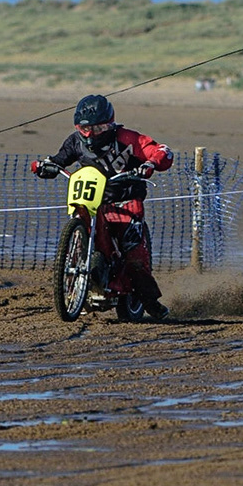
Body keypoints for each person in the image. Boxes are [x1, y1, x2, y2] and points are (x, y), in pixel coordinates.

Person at [31, 94, 175, 319]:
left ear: (109, 124)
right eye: (84, 129)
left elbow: (161, 151)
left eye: (97, 129)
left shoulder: (128, 138)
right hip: (92, 202)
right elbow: (59, 159)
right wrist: (45, 166)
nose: (90, 135)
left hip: (126, 202)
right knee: (81, 224)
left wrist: (150, 163)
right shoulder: (75, 141)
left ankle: (149, 300)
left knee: (134, 256)